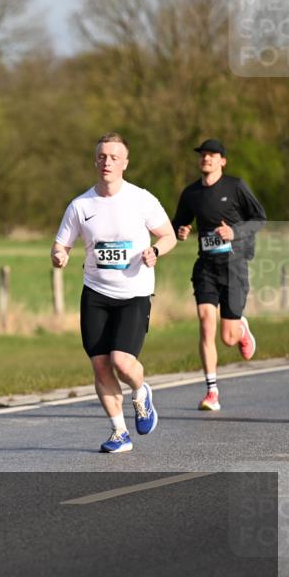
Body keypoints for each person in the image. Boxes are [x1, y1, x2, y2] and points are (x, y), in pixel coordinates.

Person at [51, 133, 177, 453]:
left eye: (114, 157)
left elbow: (168, 235)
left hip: (134, 293)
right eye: (102, 156)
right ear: (96, 161)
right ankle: (119, 432)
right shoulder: (81, 205)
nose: (107, 162)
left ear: (125, 163)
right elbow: (61, 243)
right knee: (100, 366)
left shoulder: (141, 199)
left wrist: (156, 252)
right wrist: (59, 255)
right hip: (95, 292)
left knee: (122, 361)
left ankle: (140, 392)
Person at [172, 139, 267, 411]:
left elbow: (260, 218)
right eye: (203, 155)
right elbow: (179, 222)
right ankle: (211, 392)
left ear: (222, 161)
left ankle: (241, 329)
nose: (207, 159)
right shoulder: (191, 193)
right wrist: (181, 231)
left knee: (227, 337)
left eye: (213, 155)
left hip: (234, 266)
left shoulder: (236, 187)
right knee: (205, 321)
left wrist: (234, 232)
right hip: (206, 267)